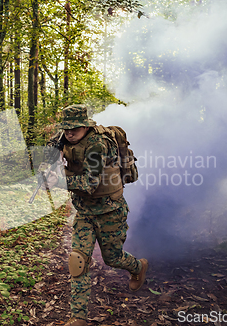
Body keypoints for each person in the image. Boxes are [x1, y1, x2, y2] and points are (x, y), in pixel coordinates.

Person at [43, 104, 148, 326]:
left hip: (110, 211)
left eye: (75, 129)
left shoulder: (97, 145)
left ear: (85, 126)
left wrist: (58, 181)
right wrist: (48, 162)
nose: (69, 133)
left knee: (113, 258)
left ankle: (139, 267)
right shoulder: (65, 136)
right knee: (78, 261)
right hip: (85, 212)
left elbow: (88, 184)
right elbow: (50, 148)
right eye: (66, 129)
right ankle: (78, 318)